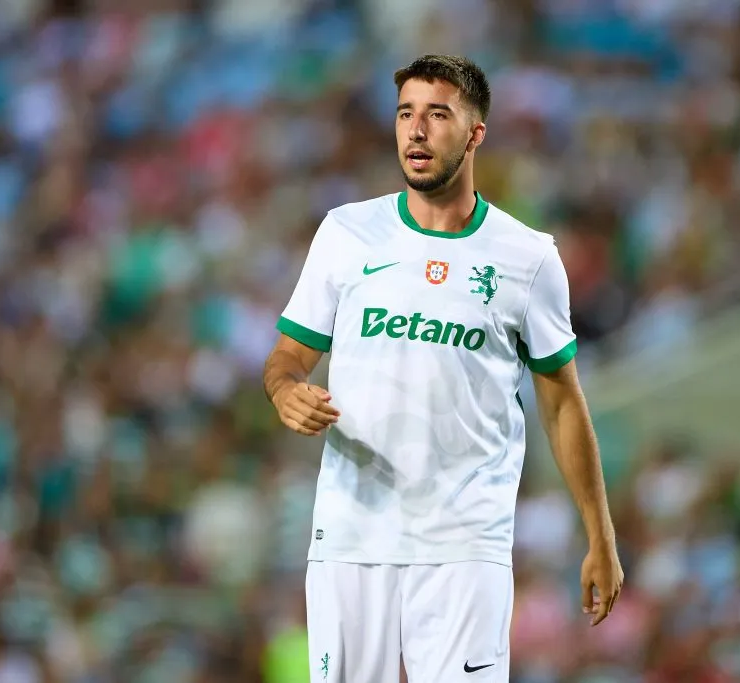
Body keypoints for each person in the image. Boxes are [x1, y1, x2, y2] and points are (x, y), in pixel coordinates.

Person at [263, 54, 623, 682]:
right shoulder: (347, 234)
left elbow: (562, 401)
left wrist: (601, 536)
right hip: (353, 535)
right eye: (406, 113)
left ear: (475, 133)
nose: (416, 130)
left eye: (437, 114)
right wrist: (285, 389)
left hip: (464, 542)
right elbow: (289, 355)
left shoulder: (527, 258)